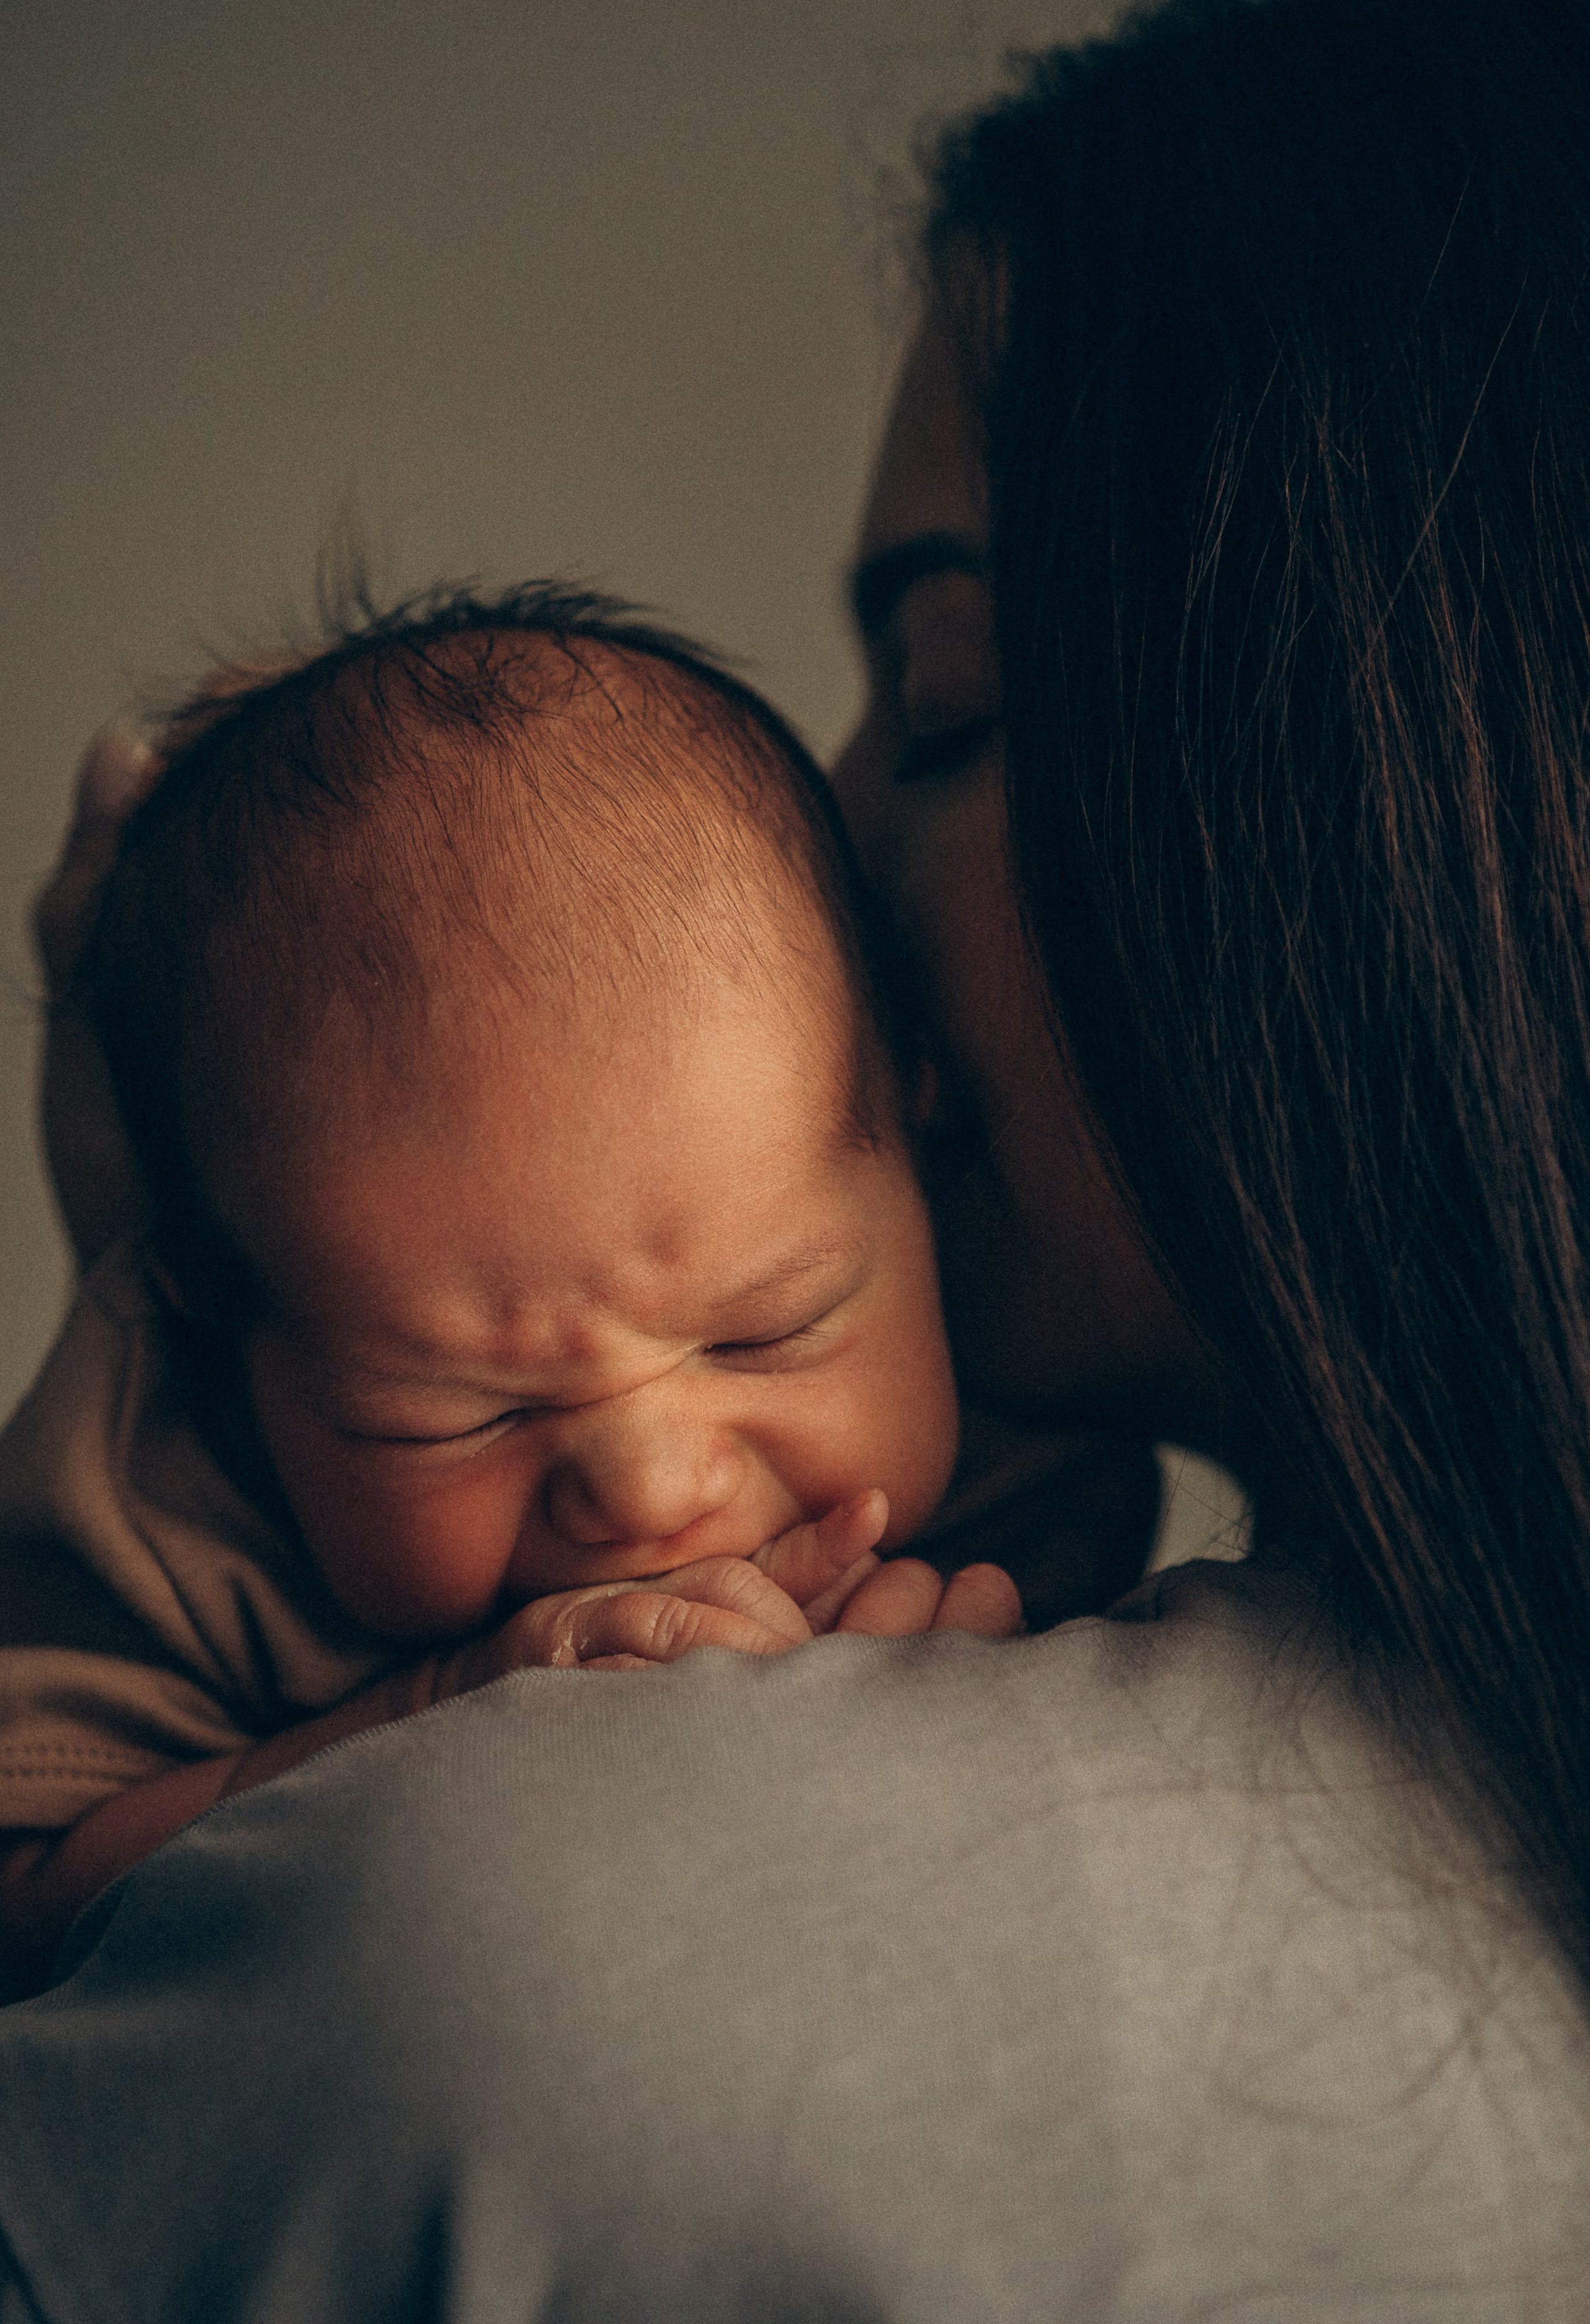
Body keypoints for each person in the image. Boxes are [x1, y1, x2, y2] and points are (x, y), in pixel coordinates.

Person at [1, 0, 1588, 2315]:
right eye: (467, 1386)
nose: (830, 852)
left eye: (936, 704)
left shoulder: (494, 1948)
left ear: (1378, 797)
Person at [0, 585, 1042, 1998]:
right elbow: (31, 1912)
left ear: (918, 1151)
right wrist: (433, 1717)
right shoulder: (166, 1508)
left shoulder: (1022, 1403)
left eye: (764, 1330)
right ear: (219, 1332)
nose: (649, 1485)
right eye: (462, 1412)